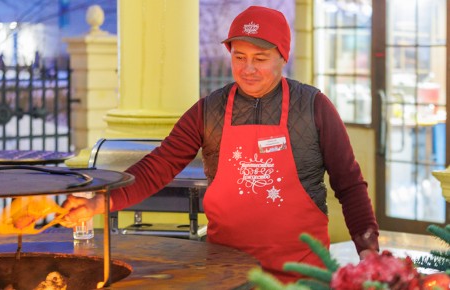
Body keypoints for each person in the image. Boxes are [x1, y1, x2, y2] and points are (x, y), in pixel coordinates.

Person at [61, 5, 379, 284]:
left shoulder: (313, 106)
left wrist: (368, 251)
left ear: (283, 56)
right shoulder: (208, 110)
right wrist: (100, 202)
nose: (248, 68)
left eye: (260, 58)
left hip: (303, 274)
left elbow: (349, 184)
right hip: (227, 271)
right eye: (239, 57)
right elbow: (158, 167)